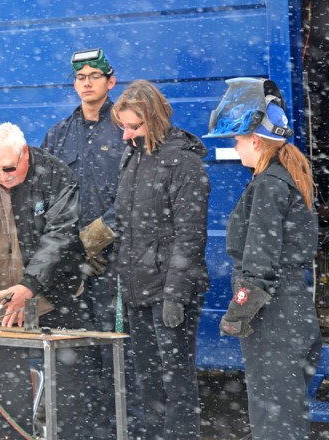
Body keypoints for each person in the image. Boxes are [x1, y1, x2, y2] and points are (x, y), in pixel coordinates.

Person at [0, 122, 87, 440]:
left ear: (25, 154)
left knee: (72, 393)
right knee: (8, 398)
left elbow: (60, 236)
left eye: (9, 168)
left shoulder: (54, 175)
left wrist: (31, 285)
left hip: (55, 297)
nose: (3, 177)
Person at [205, 77, 322, 440]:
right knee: (286, 415)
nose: (237, 149)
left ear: (255, 140)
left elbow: (259, 262)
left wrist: (238, 312)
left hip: (273, 319)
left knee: (275, 422)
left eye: (238, 141)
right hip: (292, 311)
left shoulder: (269, 184)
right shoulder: (285, 176)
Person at [41, 48, 141, 439]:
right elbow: (44, 198)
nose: (86, 82)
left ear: (110, 82)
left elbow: (134, 195)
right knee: (74, 356)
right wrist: (65, 248)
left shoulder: (126, 129)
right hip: (71, 269)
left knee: (117, 356)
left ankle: (120, 430)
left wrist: (96, 240)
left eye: (94, 76)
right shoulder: (58, 134)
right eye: (80, 77)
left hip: (115, 266)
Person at [110, 79, 209, 440]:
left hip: (169, 290)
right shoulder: (133, 158)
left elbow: (190, 235)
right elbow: (124, 224)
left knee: (176, 381)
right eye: (123, 128)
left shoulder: (183, 164)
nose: (126, 135)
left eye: (134, 126)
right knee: (148, 381)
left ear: (154, 120)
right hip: (138, 287)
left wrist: (176, 294)